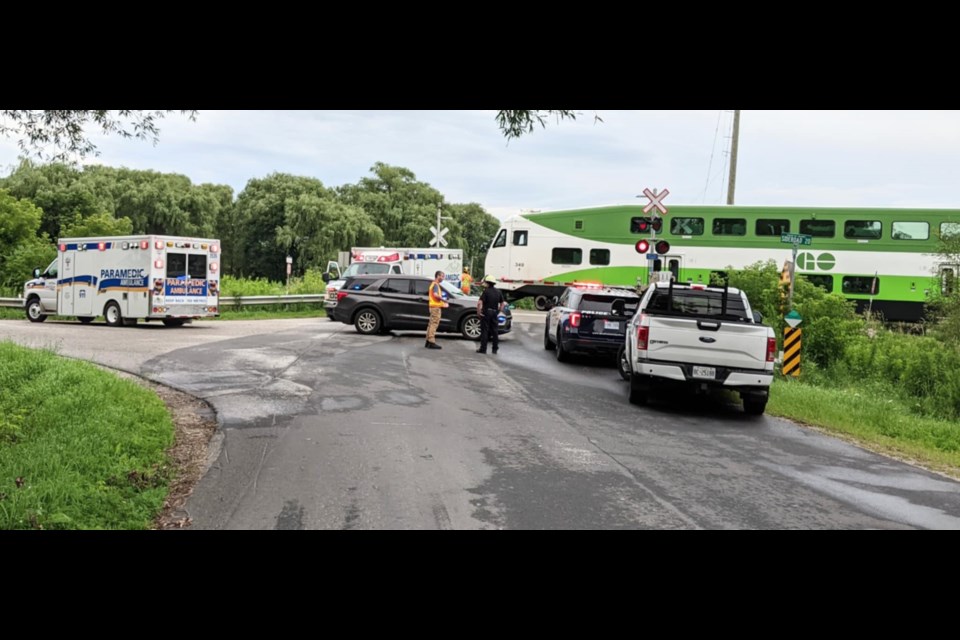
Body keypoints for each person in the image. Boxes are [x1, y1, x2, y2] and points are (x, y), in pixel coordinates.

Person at [476, 274, 505, 354]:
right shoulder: (498, 291)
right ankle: (495, 349)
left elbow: (479, 303)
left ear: (487, 282)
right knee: (495, 331)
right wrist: (499, 311)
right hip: (494, 312)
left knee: (485, 331)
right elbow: (502, 303)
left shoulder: (486, 291)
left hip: (486, 313)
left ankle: (483, 349)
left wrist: (479, 312)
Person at [425, 270, 448, 349]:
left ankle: (428, 341)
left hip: (432, 306)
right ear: (438, 276)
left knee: (431, 324)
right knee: (434, 324)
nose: (443, 278)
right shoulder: (435, 285)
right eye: (442, 276)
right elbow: (435, 295)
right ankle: (431, 341)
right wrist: (443, 300)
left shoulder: (433, 284)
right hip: (435, 307)